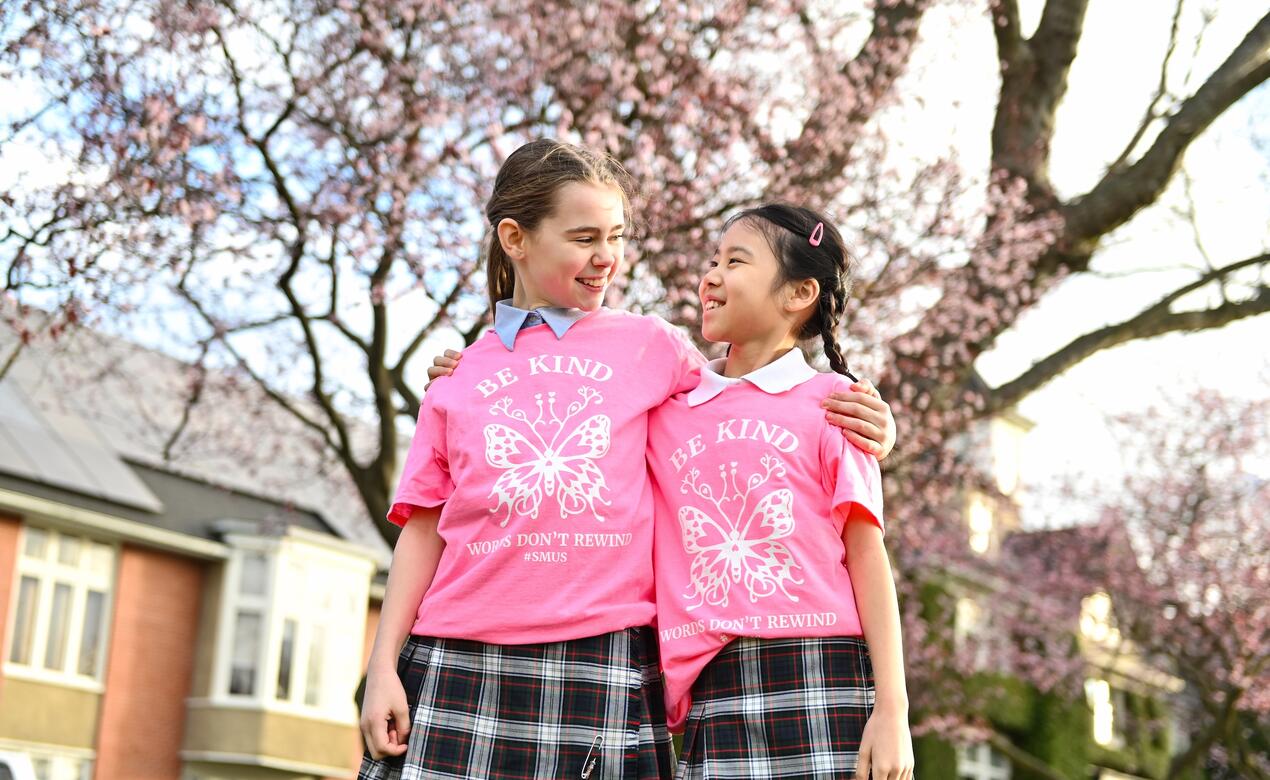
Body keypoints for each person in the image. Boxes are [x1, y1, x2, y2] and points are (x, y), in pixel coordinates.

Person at [360, 139, 896, 780]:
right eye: (585, 237)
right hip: (455, 655)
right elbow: (422, 529)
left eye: (614, 236)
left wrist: (875, 429)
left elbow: (753, 401)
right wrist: (382, 666)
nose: (606, 258)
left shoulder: (652, 347)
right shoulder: (461, 375)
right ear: (515, 237)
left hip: (605, 661)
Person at [649, 204, 913, 779]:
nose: (711, 275)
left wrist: (893, 706)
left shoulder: (836, 407)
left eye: (736, 261)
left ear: (799, 293)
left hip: (826, 672)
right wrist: (464, 371)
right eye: (712, 260)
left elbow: (868, 556)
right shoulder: (664, 407)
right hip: (710, 681)